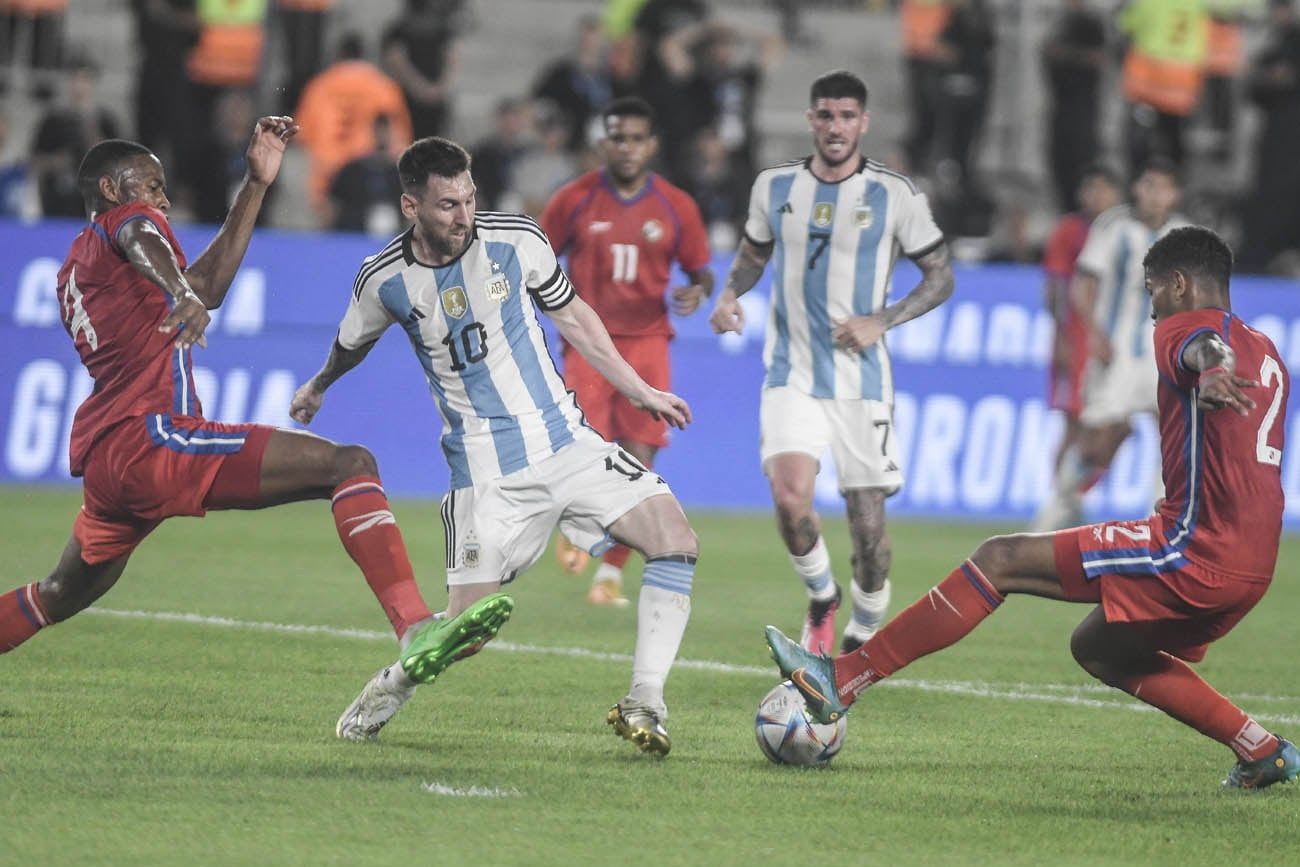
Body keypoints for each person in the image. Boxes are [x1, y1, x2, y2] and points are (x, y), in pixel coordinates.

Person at [0, 121, 510, 726]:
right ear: (111, 188)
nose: (162, 200)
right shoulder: (127, 225)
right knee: (351, 465)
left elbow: (207, 287)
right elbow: (146, 237)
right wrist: (176, 290)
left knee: (60, 592)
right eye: (151, 186)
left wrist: (255, 185)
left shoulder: (75, 268)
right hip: (150, 440)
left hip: (111, 459)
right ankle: (414, 626)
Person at [767, 226, 1300, 791]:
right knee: (1101, 648)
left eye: (1151, 292)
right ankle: (1261, 750)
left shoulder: (1184, 327)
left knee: (1001, 559)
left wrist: (1211, 366)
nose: (1151, 309)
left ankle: (842, 681)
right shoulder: (1267, 353)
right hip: (1254, 563)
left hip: (1194, 549)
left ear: (1179, 283)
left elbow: (1202, 350)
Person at [290, 136, 701, 756]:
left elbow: (577, 320)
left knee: (675, 540)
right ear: (410, 207)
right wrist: (320, 384)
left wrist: (639, 389)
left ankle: (645, 698)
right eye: (448, 205)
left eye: (470, 197)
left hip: (567, 442)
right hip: (486, 475)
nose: (465, 215)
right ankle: (390, 686)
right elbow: (353, 341)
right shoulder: (386, 281)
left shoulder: (516, 240)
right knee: (464, 635)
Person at [709, 70, 954, 657]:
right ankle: (822, 597)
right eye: (825, 115)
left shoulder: (895, 195)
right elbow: (753, 252)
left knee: (869, 532)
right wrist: (728, 294)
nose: (836, 126)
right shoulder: (775, 186)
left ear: (863, 123)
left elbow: (941, 275)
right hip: (790, 371)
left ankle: (864, 631)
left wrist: (883, 319)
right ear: (810, 120)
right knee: (791, 498)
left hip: (862, 381)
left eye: (847, 116)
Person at [540, 96, 713, 607]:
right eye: (618, 137)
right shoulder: (573, 200)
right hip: (588, 344)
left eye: (637, 138)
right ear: (604, 142)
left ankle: (609, 576)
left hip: (648, 343)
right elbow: (536, 258)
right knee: (581, 449)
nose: (627, 147)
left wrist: (697, 290)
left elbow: (701, 268)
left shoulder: (676, 206)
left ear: (652, 144)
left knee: (640, 458)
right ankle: (575, 530)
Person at [1034, 159, 1188, 531]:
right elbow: (1083, 284)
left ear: (1174, 194)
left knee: (1176, 435)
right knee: (1099, 440)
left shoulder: (1184, 233)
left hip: (1161, 356)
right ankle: (1060, 507)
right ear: (1137, 188)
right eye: (1149, 185)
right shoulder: (1113, 227)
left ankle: (1162, 523)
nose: (1155, 195)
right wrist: (1095, 334)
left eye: (1163, 188)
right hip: (1117, 352)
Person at [1041, 165, 1122, 480]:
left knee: (1115, 423)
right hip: (1076, 340)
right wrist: (1062, 336)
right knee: (1075, 423)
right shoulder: (1070, 230)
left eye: (1104, 189)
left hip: (1115, 342)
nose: (1097, 197)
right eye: (1092, 189)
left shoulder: (1124, 232)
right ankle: (1060, 502)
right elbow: (1056, 287)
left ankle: (1076, 493)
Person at [1042, 0, 1107, 211]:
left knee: (1082, 157)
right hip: (1060, 103)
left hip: (1083, 107)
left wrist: (1067, 55)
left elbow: (1098, 59)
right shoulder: (1058, 24)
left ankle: (1081, 209)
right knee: (1059, 156)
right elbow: (1048, 53)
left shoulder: (1092, 24)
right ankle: (1065, 208)